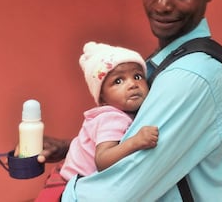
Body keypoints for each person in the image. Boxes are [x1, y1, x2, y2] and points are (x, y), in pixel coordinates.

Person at [38, 0, 222, 200]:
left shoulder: (190, 77)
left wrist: (57, 193)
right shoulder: (165, 61)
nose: (162, 5)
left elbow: (115, 193)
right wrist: (78, 149)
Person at [60, 41, 159, 181]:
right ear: (102, 97)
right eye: (118, 81)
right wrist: (136, 141)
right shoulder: (112, 117)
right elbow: (102, 160)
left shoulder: (121, 114)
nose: (133, 84)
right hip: (75, 185)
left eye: (137, 76)